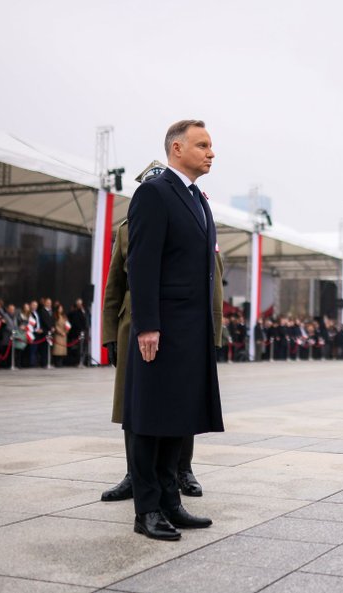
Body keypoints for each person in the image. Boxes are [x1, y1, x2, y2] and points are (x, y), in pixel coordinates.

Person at [123, 120, 224, 541]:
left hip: (190, 329)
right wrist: (147, 325)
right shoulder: (154, 192)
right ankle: (146, 510)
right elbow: (142, 264)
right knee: (150, 419)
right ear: (177, 149)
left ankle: (170, 501)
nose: (211, 152)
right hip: (161, 328)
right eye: (202, 145)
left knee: (175, 418)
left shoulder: (197, 198)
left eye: (212, 145)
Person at [101, 181, 224, 503]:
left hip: (181, 324)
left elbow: (213, 280)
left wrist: (215, 329)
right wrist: (110, 334)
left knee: (182, 401)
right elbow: (116, 283)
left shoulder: (196, 217)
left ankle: (183, 470)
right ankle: (135, 475)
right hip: (136, 325)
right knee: (134, 407)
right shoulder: (128, 228)